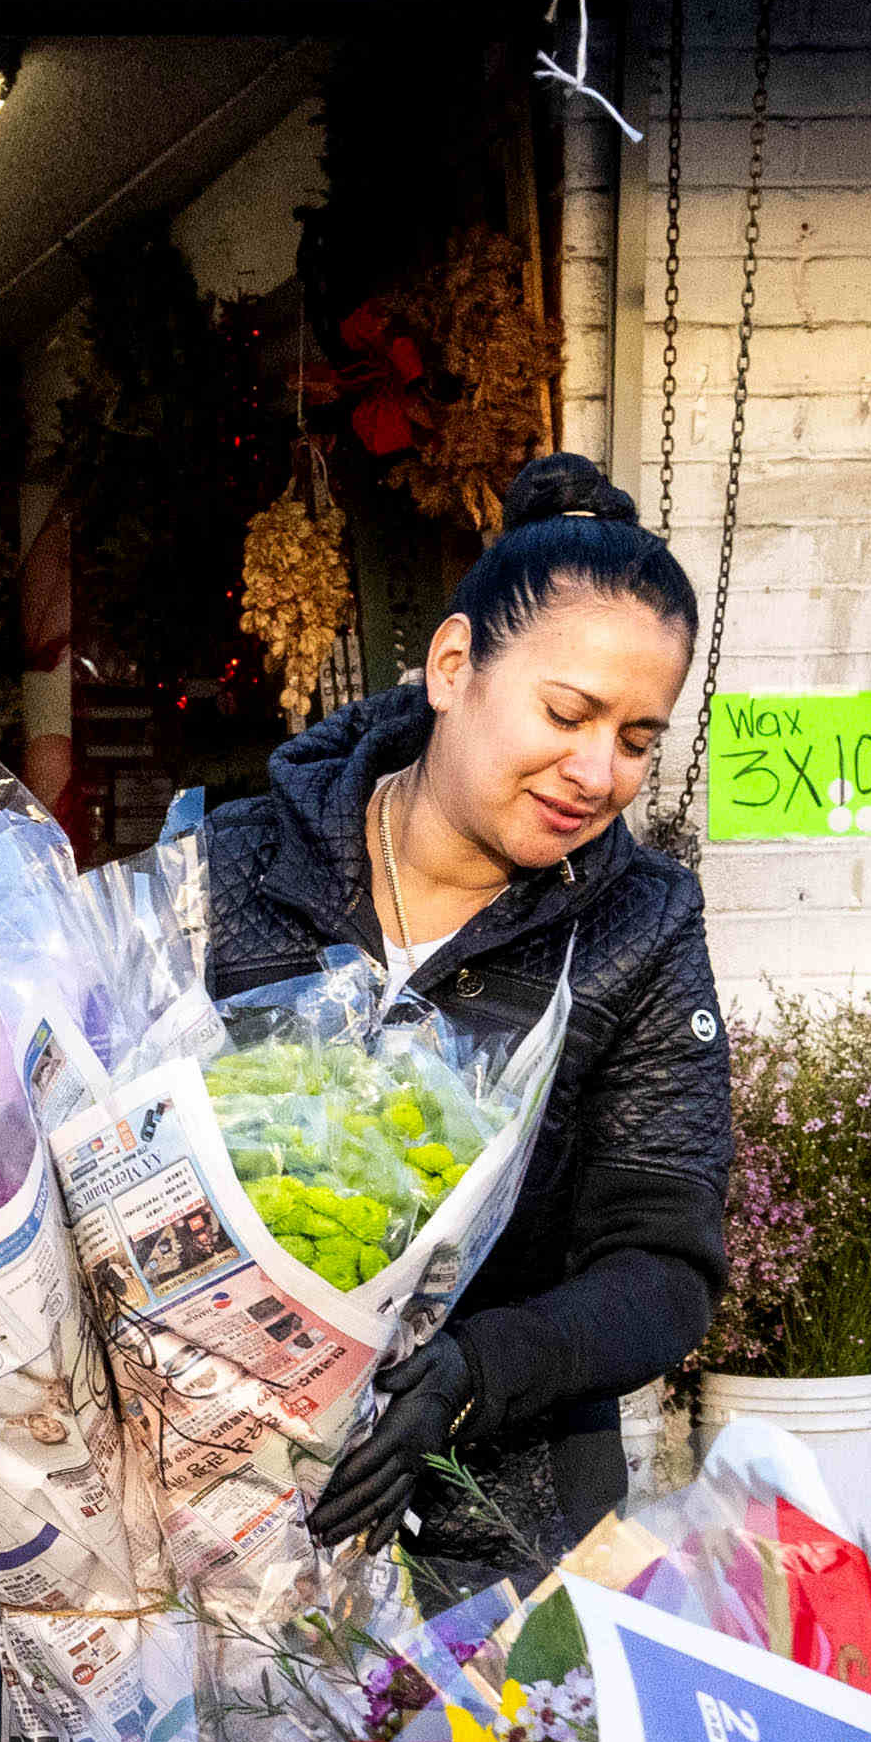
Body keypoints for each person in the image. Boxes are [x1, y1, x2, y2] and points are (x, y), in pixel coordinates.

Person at [194, 452, 735, 1598]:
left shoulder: (639, 929)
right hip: (198, 1515)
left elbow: (662, 1264)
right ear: (453, 665)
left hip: (499, 1531)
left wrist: (472, 1372)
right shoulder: (238, 864)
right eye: (566, 712)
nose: (595, 770)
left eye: (637, 738)